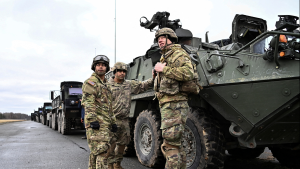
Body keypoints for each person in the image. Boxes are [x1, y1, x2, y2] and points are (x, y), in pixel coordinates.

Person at [153, 27, 195, 169]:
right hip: (169, 104)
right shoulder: (167, 56)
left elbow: (188, 73)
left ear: (171, 39)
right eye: (158, 39)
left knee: (170, 145)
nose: (160, 40)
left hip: (174, 104)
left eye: (163, 37)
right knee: (176, 144)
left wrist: (163, 69)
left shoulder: (178, 54)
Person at [106, 62, 155, 169]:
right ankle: (109, 165)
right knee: (110, 144)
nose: (122, 73)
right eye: (119, 71)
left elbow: (143, 86)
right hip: (111, 120)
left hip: (124, 120)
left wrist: (153, 78)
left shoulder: (128, 84)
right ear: (114, 72)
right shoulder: (107, 86)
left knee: (123, 143)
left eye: (124, 71)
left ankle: (117, 164)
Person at [81, 55, 118, 169]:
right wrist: (92, 120)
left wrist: (113, 122)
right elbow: (88, 102)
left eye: (103, 65)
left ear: (106, 68)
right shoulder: (90, 83)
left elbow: (109, 106)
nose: (101, 67)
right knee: (102, 152)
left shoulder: (106, 85)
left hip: (105, 123)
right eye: (98, 65)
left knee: (96, 152)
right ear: (94, 67)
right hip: (96, 123)